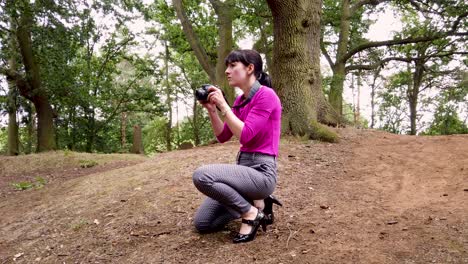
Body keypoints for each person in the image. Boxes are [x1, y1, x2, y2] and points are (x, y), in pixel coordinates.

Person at [192, 49, 282, 243]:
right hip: (243, 171)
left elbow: (246, 135)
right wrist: (213, 111)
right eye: (227, 66)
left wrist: (224, 106)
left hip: (261, 173)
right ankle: (255, 203)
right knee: (204, 223)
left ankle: (250, 212)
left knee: (201, 175)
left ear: (250, 68)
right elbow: (223, 136)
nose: (227, 71)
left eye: (233, 66)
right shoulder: (241, 101)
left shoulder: (267, 96)